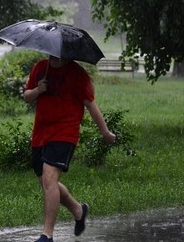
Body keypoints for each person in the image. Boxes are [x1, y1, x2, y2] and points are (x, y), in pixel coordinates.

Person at [23, 55, 116, 242]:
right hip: (40, 134)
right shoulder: (41, 67)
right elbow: (27, 97)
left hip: (64, 133)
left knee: (49, 178)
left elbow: (91, 104)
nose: (53, 54)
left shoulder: (77, 74)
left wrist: (105, 132)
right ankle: (78, 210)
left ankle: (47, 235)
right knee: (47, 183)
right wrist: (38, 90)